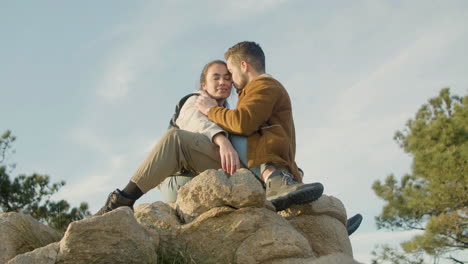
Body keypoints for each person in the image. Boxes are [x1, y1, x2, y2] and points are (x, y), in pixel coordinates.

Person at [95, 60, 240, 215]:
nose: (222, 82)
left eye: (227, 78)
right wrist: (222, 140)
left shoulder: (226, 111)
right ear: (203, 84)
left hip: (211, 172)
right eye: (216, 77)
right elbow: (194, 122)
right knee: (175, 137)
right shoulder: (197, 100)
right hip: (181, 178)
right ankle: (122, 200)